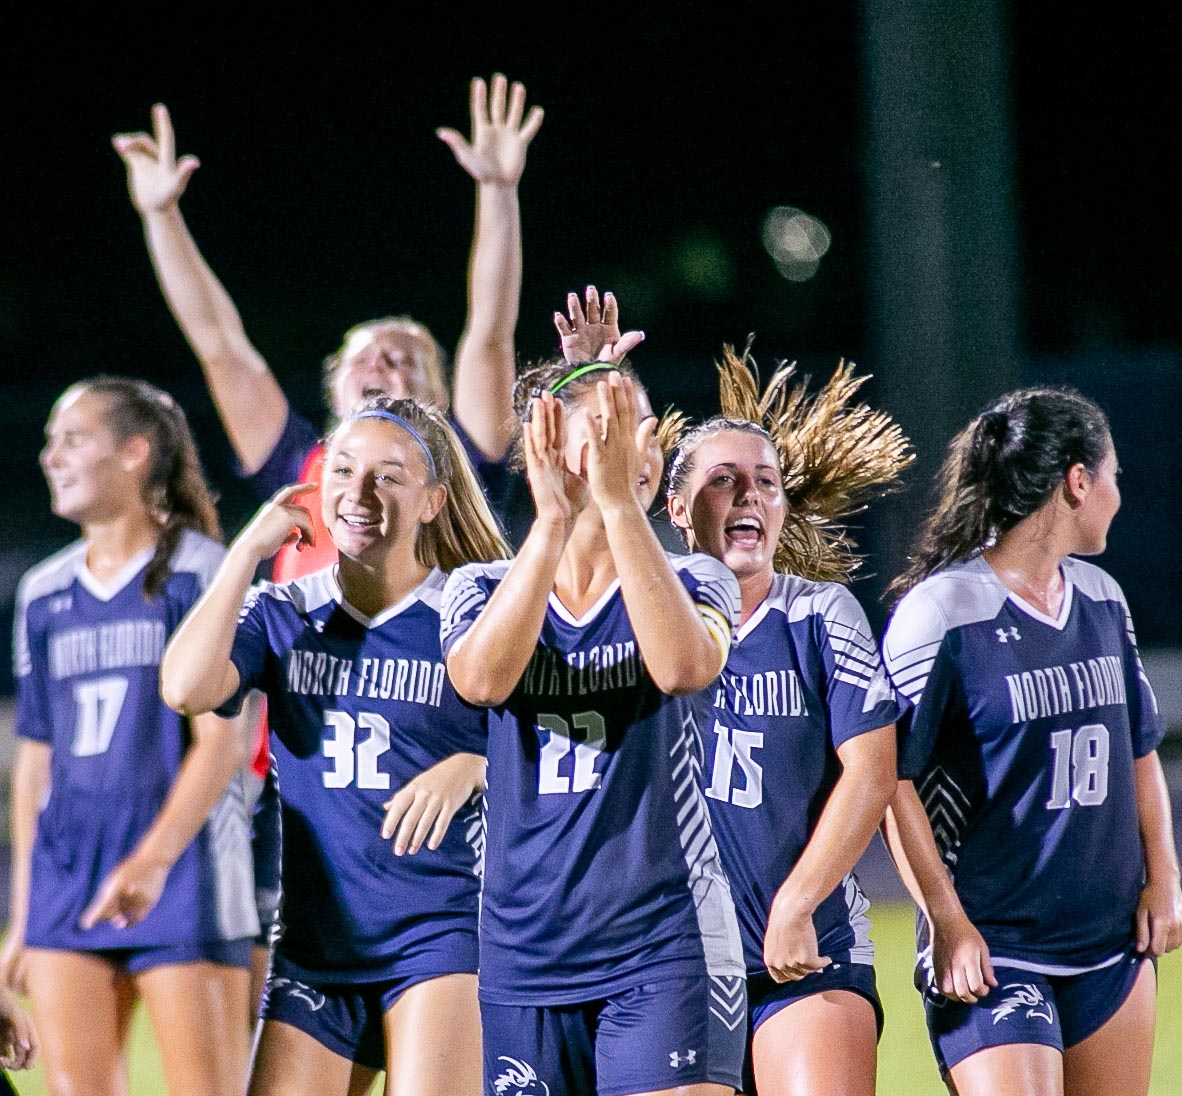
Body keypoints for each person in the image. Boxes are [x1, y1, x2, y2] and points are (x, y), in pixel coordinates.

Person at [114, 72, 542, 1004]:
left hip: (441, 764)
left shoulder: (460, 460)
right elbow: (221, 343)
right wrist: (163, 217)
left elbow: (491, 330)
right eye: (364, 358)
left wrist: (498, 193)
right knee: (302, 997)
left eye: (404, 359)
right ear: (333, 392)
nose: (383, 368)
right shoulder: (301, 472)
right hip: (314, 781)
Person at [160, 396, 509, 1095]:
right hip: (317, 946)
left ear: (435, 500)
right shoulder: (284, 611)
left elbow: (559, 744)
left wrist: (479, 766)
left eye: (389, 476)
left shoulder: (473, 609)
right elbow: (184, 687)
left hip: (439, 936)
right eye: (343, 471)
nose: (360, 493)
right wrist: (245, 556)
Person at [441, 355, 747, 1096]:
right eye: (605, 432)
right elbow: (482, 681)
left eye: (641, 430)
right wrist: (550, 526)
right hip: (525, 954)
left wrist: (615, 509)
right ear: (545, 452)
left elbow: (681, 666)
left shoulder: (698, 578)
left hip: (664, 944)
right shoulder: (478, 586)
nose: (636, 449)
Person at [879, 386, 1182, 1096]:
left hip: (1110, 945)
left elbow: (1138, 751)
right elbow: (887, 780)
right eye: (1111, 476)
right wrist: (946, 921)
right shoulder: (942, 611)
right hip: (997, 948)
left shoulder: (1103, 598)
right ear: (1078, 481)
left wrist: (1164, 876)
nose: (1115, 493)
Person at [664, 346, 911, 1096]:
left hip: (804, 951)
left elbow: (872, 770)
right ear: (678, 510)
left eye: (766, 483)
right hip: (664, 965)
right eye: (725, 480)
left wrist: (797, 904)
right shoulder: (640, 618)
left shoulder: (819, 614)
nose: (750, 495)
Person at [1, 376, 258, 1095]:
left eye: (73, 438)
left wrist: (152, 861)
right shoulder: (44, 591)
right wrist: (24, 917)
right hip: (66, 877)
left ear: (135, 453)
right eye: (51, 440)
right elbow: (35, 765)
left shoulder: (202, 572)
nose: (51, 456)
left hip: (184, 871)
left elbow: (223, 744)